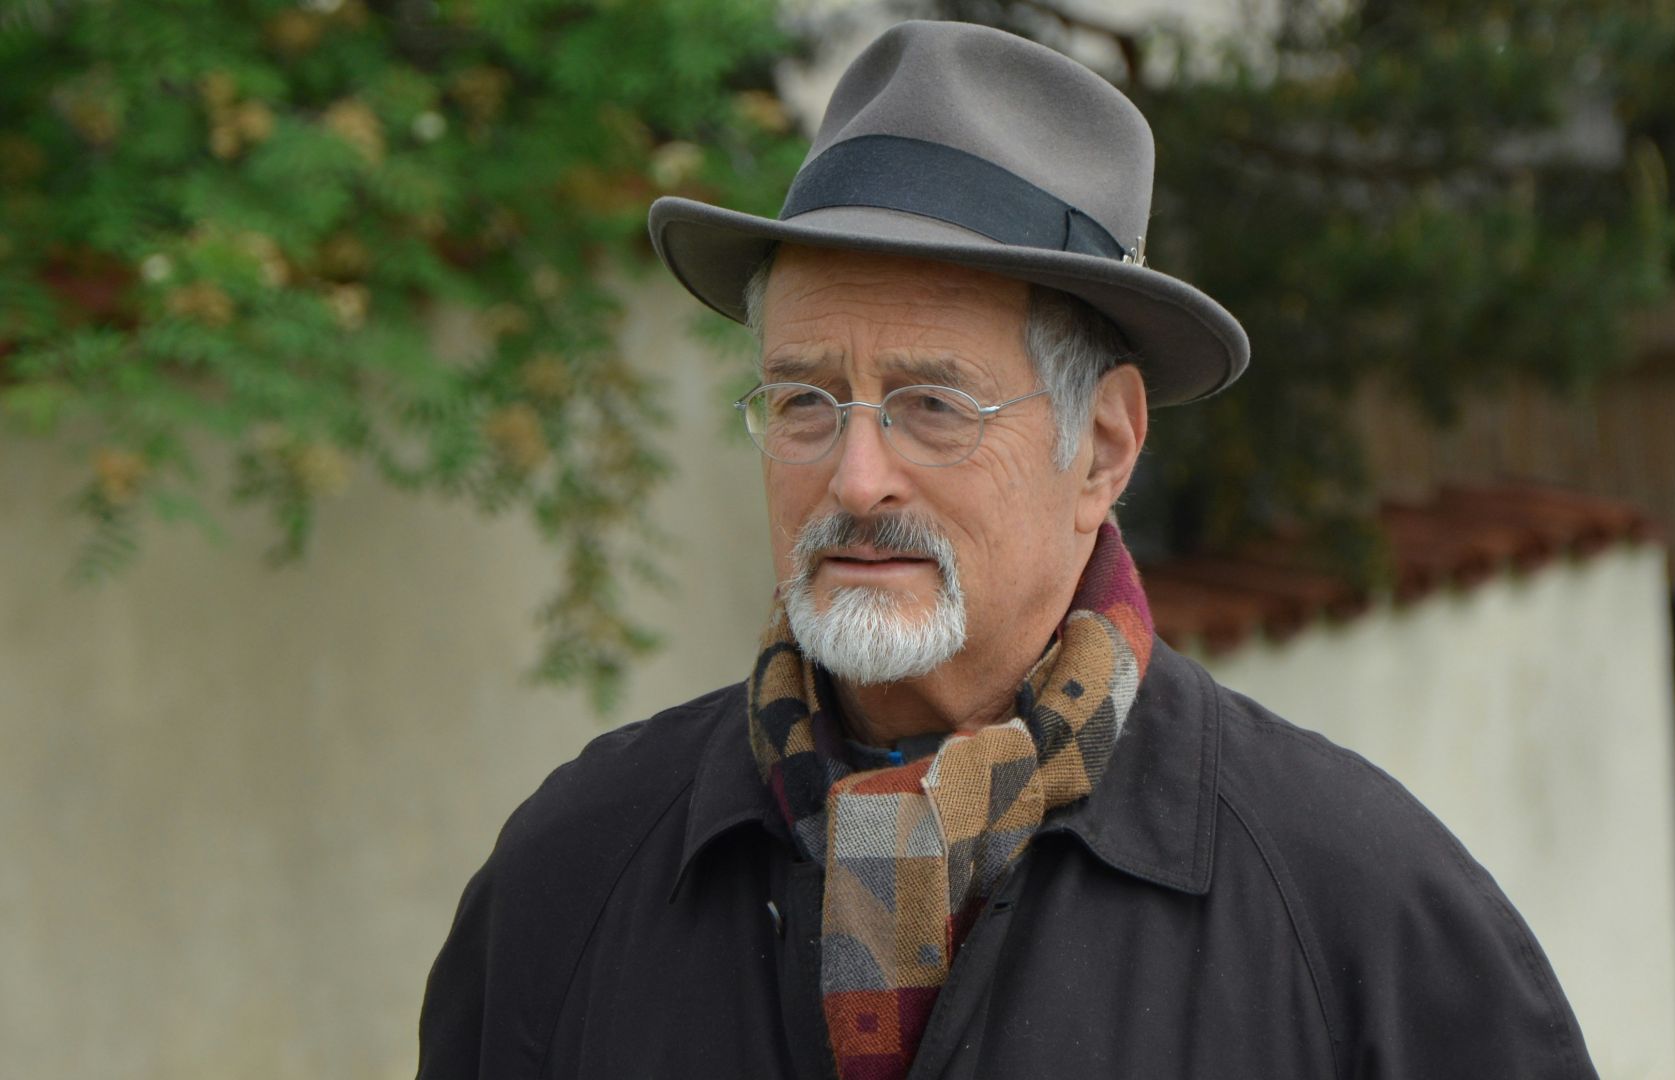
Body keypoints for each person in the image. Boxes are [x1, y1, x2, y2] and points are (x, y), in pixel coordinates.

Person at [417, 19, 1599, 1080]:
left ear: (1103, 448)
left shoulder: (1357, 912)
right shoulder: (573, 876)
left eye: (935, 405)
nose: (856, 474)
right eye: (804, 401)